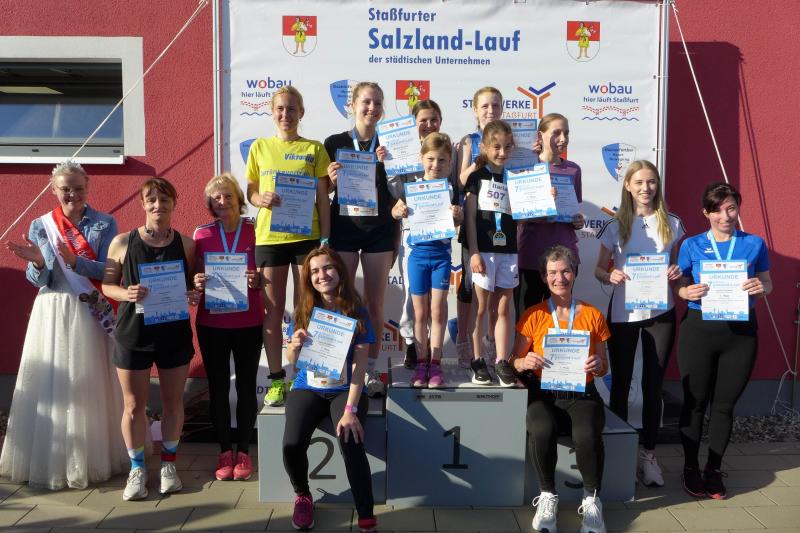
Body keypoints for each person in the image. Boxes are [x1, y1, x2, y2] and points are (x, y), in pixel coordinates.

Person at [0, 161, 127, 490]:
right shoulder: (41, 225)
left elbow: (109, 270)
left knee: (90, 383)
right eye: (65, 189)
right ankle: (50, 460)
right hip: (53, 310)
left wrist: (76, 262)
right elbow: (40, 280)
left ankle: (96, 457)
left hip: (90, 309)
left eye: (78, 188)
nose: (72, 194)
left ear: (88, 187)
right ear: (54, 190)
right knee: (53, 383)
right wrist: (37, 262)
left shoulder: (105, 223)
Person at [102, 177, 200, 501]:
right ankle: (137, 469)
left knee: (173, 403)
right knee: (133, 406)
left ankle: (169, 465)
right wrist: (126, 294)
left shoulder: (186, 244)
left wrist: (194, 294)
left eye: (165, 199)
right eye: (152, 200)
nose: (159, 205)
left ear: (174, 204)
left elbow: (192, 285)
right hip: (133, 334)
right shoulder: (122, 243)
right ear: (143, 204)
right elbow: (107, 285)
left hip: (173, 333)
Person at [675, 182, 771, 500]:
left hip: (740, 336)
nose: (725, 216)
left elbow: (767, 282)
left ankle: (713, 469)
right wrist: (685, 291)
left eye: (731, 208)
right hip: (699, 331)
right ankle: (690, 467)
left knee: (725, 406)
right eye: (717, 210)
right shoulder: (691, 245)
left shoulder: (754, 244)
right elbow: (681, 283)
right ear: (706, 213)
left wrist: (762, 288)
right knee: (694, 403)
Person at [594, 160, 684, 487]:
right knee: (620, 384)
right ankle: (620, 456)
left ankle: (649, 456)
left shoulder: (673, 223)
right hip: (624, 314)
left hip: (661, 312)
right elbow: (599, 269)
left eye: (652, 182)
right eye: (640, 182)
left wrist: (677, 272)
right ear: (628, 186)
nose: (646, 188)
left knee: (652, 385)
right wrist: (610, 274)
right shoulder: (615, 224)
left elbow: (680, 270)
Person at [512, 245, 610, 533]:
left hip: (583, 395)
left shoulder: (592, 314)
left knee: (587, 434)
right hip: (545, 395)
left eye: (566, 271)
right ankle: (547, 497)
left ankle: (592, 500)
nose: (560, 278)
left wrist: (597, 365)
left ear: (575, 273)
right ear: (544, 277)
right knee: (541, 428)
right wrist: (524, 361)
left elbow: (604, 365)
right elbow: (513, 361)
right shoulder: (533, 315)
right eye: (553, 272)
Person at [245, 85, 331, 408]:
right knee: (272, 310)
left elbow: (323, 198)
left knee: (305, 307)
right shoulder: (260, 147)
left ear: (301, 113)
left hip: (307, 238)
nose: (286, 114)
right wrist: (259, 199)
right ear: (272, 112)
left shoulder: (314, 149)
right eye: (280, 109)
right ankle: (277, 379)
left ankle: (302, 373)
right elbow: (251, 190)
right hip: (270, 239)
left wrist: (325, 239)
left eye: (292, 109)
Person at [283, 247, 378, 533]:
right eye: (314, 271)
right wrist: (294, 346)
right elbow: (294, 362)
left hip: (344, 389)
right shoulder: (304, 310)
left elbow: (359, 367)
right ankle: (303, 496)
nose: (322, 275)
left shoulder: (357, 311)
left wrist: (350, 410)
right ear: (308, 278)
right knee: (291, 444)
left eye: (327, 268)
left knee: (350, 441)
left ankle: (366, 512)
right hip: (308, 386)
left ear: (339, 271)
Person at [325, 81, 394, 398]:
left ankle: (372, 368)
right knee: (341, 301)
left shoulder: (390, 143)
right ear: (352, 105)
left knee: (375, 303)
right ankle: (338, 364)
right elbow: (324, 191)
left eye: (377, 103)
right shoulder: (334, 142)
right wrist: (331, 180)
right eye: (366, 102)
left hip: (380, 230)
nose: (372, 108)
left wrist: (389, 163)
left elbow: (399, 189)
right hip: (344, 228)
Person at [192, 173, 263, 481]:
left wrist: (259, 279)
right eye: (216, 198)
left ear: (238, 198)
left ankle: (244, 451)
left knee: (246, 386)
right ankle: (224, 451)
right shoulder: (201, 234)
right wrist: (196, 281)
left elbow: (268, 272)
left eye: (228, 195)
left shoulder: (256, 229)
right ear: (210, 203)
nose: (222, 201)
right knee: (218, 388)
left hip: (249, 320)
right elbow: (192, 276)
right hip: (212, 322)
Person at [391, 133, 463, 387]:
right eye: (431, 159)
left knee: (437, 311)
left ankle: (436, 364)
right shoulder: (412, 188)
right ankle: (421, 363)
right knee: (419, 313)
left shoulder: (451, 190)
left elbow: (458, 221)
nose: (436, 165)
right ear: (421, 159)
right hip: (417, 257)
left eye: (442, 160)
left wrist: (458, 215)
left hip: (441, 258)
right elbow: (395, 210)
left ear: (450, 163)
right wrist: (398, 210)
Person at [387, 99, 452, 369]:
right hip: (413, 240)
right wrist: (389, 164)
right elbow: (396, 195)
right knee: (412, 300)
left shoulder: (447, 151)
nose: (428, 124)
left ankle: (433, 356)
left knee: (436, 306)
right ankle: (412, 345)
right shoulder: (402, 153)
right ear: (413, 124)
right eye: (423, 120)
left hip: (439, 244)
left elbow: (455, 195)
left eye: (433, 119)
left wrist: (457, 213)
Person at [464, 119, 518, 387]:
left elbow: (525, 213)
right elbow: (470, 219)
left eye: (507, 147)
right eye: (496, 147)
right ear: (484, 147)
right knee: (481, 308)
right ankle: (477, 360)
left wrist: (545, 197)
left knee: (503, 307)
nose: (502, 152)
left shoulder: (515, 179)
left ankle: (501, 360)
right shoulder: (476, 177)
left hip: (509, 250)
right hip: (484, 250)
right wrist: (474, 252)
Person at [516, 113, 584, 317]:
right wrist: (542, 209)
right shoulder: (525, 168)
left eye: (566, 133)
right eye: (556, 133)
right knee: (527, 318)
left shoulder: (574, 169)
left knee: (560, 315)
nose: (563, 139)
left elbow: (573, 209)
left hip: (565, 256)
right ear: (540, 135)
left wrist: (577, 220)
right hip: (531, 255)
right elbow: (517, 217)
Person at [456, 87, 504, 369]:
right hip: (475, 222)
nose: (490, 111)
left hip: (502, 224)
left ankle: (491, 342)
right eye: (485, 106)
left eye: (495, 105)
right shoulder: (468, 141)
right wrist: (479, 160)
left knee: (498, 291)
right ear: (475, 110)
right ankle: (464, 340)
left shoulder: (510, 140)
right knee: (469, 287)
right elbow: (461, 181)